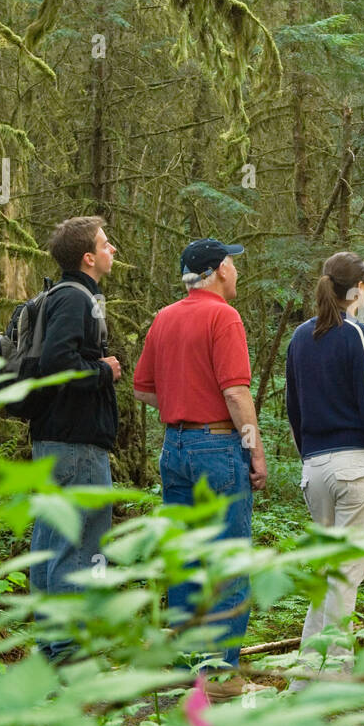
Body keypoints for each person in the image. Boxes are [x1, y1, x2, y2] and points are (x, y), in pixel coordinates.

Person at [133, 238, 267, 700]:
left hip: (175, 447)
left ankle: (191, 667)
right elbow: (235, 393)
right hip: (217, 444)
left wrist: (178, 408)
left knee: (188, 557)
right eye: (231, 262)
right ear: (216, 271)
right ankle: (220, 673)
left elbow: (142, 388)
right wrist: (255, 448)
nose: (235, 268)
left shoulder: (164, 318)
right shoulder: (223, 316)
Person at [285, 251, 364, 685]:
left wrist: (310, 458)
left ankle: (304, 675)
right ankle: (335, 677)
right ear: (360, 289)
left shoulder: (299, 337)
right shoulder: (357, 335)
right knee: (347, 574)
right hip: (355, 466)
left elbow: (292, 408)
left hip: (314, 468)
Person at [29, 216, 121, 664]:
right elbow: (57, 363)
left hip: (56, 440)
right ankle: (70, 651)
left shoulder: (68, 296)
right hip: (76, 443)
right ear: (88, 257)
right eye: (106, 244)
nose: (112, 250)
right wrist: (105, 370)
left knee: (50, 540)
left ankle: (52, 646)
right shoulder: (75, 298)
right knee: (81, 542)